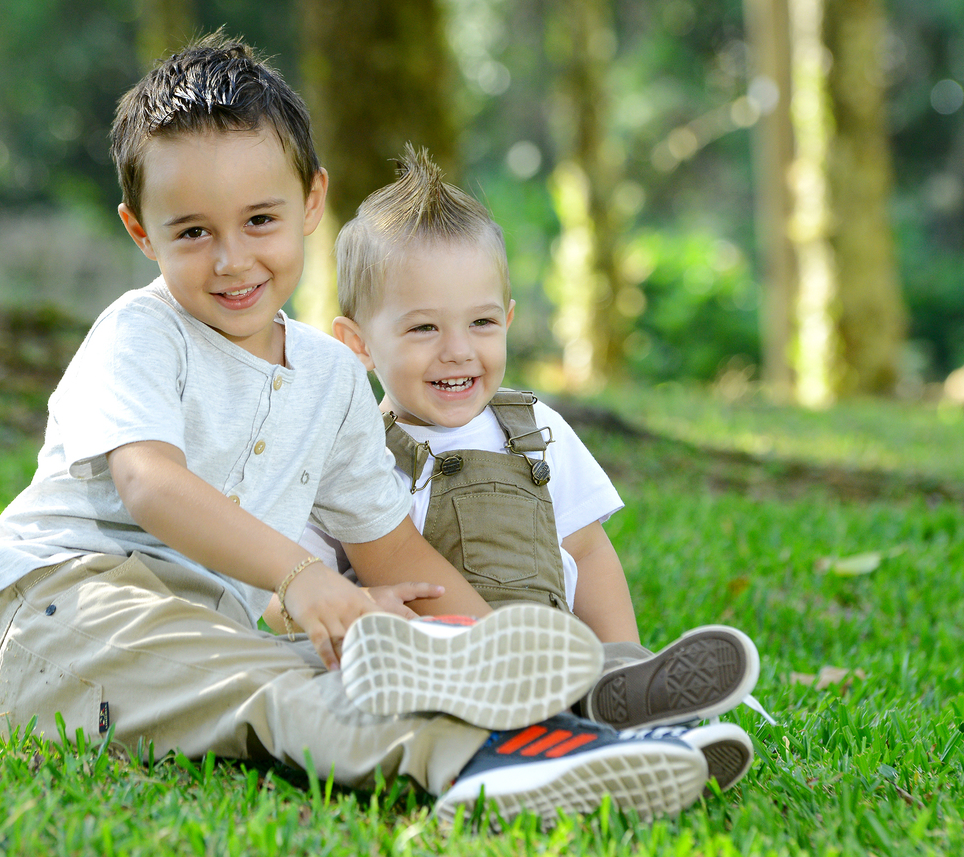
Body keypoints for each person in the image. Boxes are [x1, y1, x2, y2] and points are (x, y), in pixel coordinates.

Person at [0, 35, 713, 828]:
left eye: (259, 220)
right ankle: (477, 760)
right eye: (193, 232)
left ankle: (572, 716)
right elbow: (152, 483)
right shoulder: (140, 333)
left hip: (213, 634)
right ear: (141, 231)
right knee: (275, 688)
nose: (232, 259)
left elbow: (395, 551)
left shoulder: (331, 375)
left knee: (352, 661)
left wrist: (493, 648)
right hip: (63, 616)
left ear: (312, 201)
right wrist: (303, 576)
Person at [296, 145, 761, 791]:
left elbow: (587, 551)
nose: (458, 350)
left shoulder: (535, 428)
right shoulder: (352, 454)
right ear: (357, 343)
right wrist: (356, 604)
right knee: (418, 698)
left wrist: (624, 655)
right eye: (424, 328)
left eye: (482, 323)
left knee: (592, 675)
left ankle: (633, 712)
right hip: (441, 674)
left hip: (553, 657)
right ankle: (572, 746)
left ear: (509, 319)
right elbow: (293, 582)